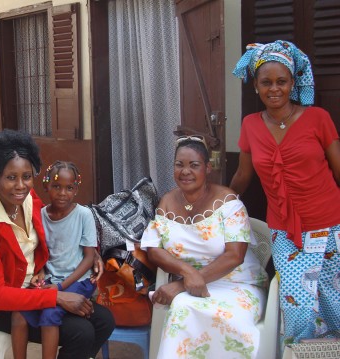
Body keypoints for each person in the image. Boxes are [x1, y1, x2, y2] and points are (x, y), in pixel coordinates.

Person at [0, 129, 115, 359]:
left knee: (105, 321)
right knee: (82, 332)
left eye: (26, 176)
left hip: (42, 285)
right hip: (11, 303)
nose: (21, 186)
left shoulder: (29, 201)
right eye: (11, 177)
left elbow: (57, 230)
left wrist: (92, 254)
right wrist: (56, 296)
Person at [230, 40, 340, 346]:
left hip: (330, 224)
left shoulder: (319, 118)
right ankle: (301, 354)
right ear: (256, 86)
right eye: (266, 82)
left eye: (281, 81)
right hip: (286, 231)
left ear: (293, 83)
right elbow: (243, 175)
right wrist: (218, 202)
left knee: (334, 301)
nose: (274, 89)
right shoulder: (251, 125)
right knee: (297, 305)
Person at [142, 135, 268, 359]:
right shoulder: (167, 202)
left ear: (208, 168)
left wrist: (182, 284)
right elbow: (154, 249)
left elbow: (235, 255)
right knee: (183, 308)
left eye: (194, 165)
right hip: (190, 285)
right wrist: (188, 273)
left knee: (226, 316)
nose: (185, 171)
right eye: (179, 165)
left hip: (236, 283)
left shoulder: (228, 202)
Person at [10, 160, 97, 359]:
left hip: (78, 280)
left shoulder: (84, 215)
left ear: (76, 189)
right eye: (56, 186)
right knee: (19, 313)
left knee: (50, 312)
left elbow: (89, 257)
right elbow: (39, 251)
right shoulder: (40, 215)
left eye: (69, 188)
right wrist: (41, 273)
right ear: (46, 186)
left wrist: (61, 286)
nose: (62, 193)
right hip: (50, 279)